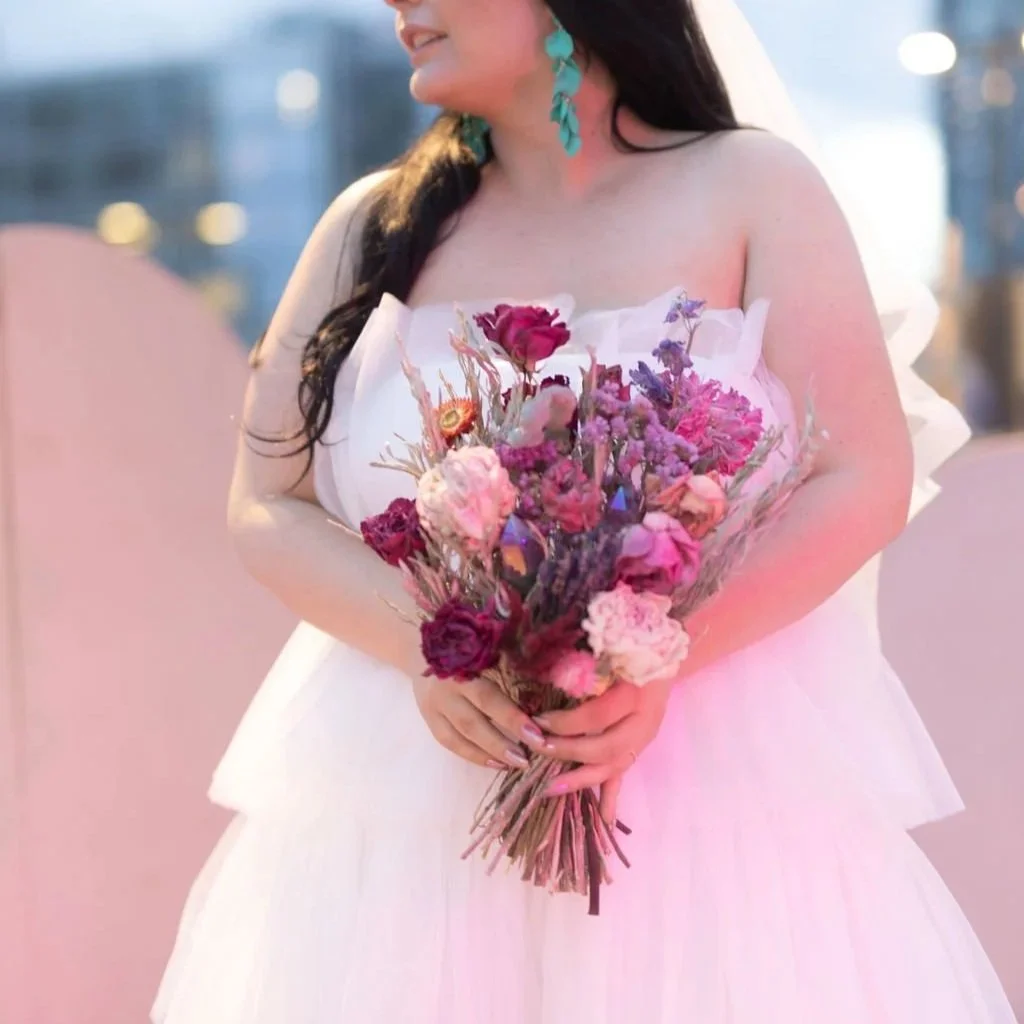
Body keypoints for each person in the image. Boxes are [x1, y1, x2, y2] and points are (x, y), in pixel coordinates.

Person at [152, 1, 1018, 1020]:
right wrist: (435, 641)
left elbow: (860, 474)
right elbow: (267, 501)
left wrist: (652, 656)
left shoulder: (751, 187)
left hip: (710, 789)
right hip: (406, 798)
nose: (398, 3)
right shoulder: (369, 225)